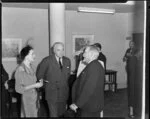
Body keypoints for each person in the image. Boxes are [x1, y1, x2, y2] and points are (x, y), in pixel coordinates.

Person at [36, 42, 71, 117]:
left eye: (62, 50)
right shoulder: (46, 60)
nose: (61, 52)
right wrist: (47, 85)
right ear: (54, 50)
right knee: (53, 115)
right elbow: (39, 76)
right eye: (58, 50)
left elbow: (68, 75)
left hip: (63, 93)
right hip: (51, 93)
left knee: (62, 114)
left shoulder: (67, 60)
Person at [70, 45, 105, 117]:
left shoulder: (94, 67)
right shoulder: (92, 65)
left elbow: (88, 89)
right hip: (88, 104)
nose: (83, 55)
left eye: (85, 52)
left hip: (90, 106)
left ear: (91, 54)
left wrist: (77, 104)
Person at [15, 45, 43, 117]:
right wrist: (34, 85)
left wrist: (39, 82)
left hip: (34, 98)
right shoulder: (20, 69)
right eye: (32, 54)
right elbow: (18, 89)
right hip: (27, 99)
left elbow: (33, 80)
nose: (35, 55)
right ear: (26, 56)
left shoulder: (32, 67)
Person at [123, 40, 137, 118]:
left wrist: (131, 55)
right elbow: (124, 59)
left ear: (134, 44)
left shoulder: (137, 50)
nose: (130, 45)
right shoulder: (128, 50)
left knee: (133, 89)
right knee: (130, 88)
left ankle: (133, 109)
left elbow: (137, 58)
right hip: (129, 70)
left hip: (135, 72)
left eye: (132, 44)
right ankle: (130, 107)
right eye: (130, 44)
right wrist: (125, 57)